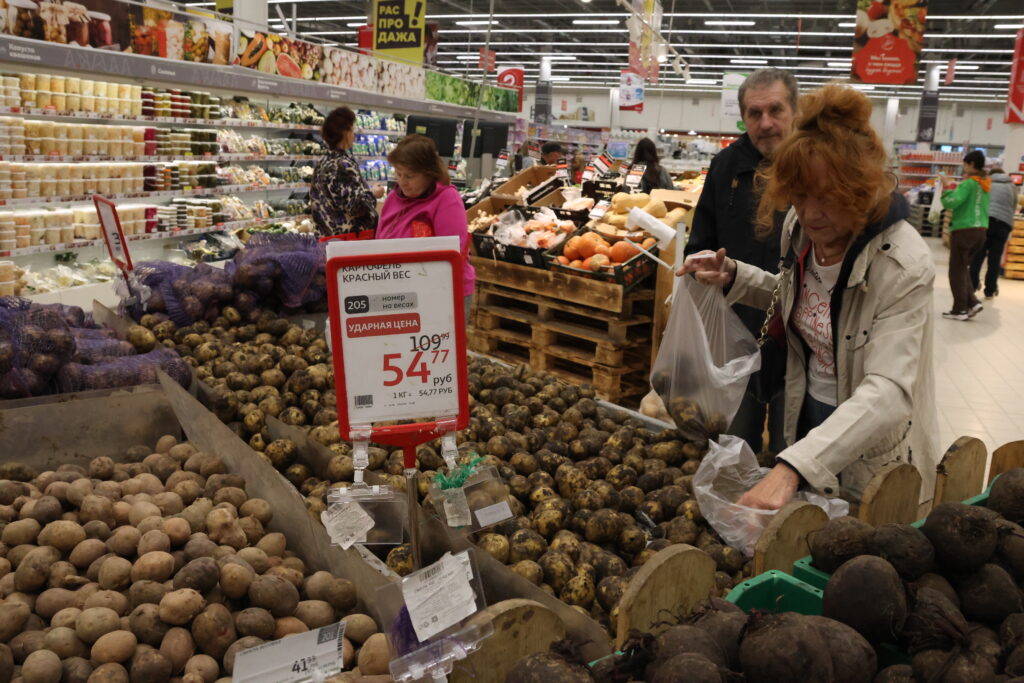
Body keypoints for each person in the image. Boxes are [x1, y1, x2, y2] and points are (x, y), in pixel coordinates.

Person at [680, 84, 939, 510]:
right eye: (799, 196)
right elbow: (798, 298)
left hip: (868, 439)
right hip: (807, 411)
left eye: (828, 197)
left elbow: (890, 390)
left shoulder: (904, 265)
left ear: (860, 189)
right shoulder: (799, 230)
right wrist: (733, 276)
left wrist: (793, 466)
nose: (811, 212)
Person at [681, 68, 799, 456]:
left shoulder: (815, 166)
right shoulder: (726, 165)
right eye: (754, 113)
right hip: (736, 333)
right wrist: (698, 267)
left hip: (802, 337)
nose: (765, 123)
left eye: (775, 110)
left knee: (792, 451)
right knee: (734, 446)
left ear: (794, 111)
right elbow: (701, 240)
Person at [377, 134, 476, 320]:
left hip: (442, 293)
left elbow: (452, 253)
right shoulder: (393, 198)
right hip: (398, 292)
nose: (402, 181)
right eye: (398, 174)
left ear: (429, 173)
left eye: (410, 176)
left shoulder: (446, 199)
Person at [309, 106, 384, 239]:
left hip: (327, 237)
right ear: (345, 133)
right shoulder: (342, 165)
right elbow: (355, 206)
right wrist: (373, 193)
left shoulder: (323, 162)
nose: (354, 135)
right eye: (352, 129)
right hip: (347, 240)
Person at [939, 150, 991, 321]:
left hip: (964, 230)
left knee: (956, 271)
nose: (963, 167)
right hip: (981, 231)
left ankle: (960, 310)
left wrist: (946, 187)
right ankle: (973, 303)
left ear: (972, 165)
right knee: (962, 268)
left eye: (965, 164)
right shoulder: (984, 184)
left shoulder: (969, 184)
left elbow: (950, 202)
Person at [970, 166, 1019, 299]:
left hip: (985, 222)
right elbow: (1014, 206)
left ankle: (973, 286)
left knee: (978, 256)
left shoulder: (986, 183)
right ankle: (990, 290)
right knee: (995, 258)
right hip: (1003, 224)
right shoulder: (1012, 186)